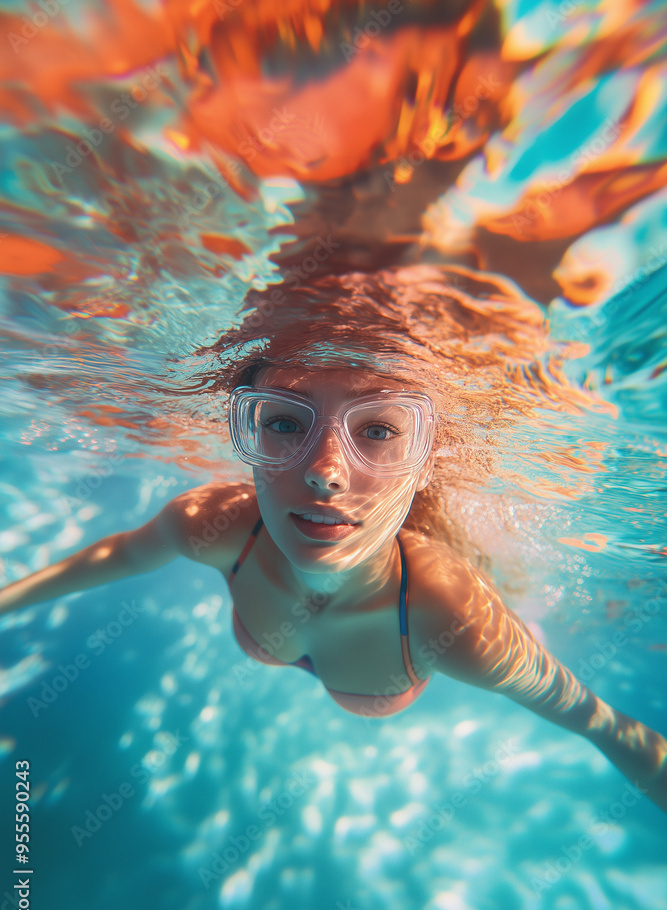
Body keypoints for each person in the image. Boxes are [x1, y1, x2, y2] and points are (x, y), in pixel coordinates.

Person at [2, 265, 665, 812]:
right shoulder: (213, 524)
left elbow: (601, 725)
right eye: (284, 423)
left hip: (426, 621)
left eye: (377, 430)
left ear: (426, 460)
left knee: (519, 610)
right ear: (248, 434)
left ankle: (529, 611)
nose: (324, 472)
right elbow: (119, 553)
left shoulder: (451, 618)